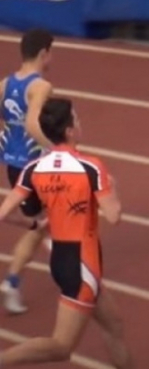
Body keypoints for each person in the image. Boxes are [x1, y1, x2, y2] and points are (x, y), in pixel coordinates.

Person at [0, 97, 133, 368]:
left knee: (114, 324)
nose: (81, 124)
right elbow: (114, 216)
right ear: (70, 131)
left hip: (61, 260)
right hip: (84, 264)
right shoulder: (91, 167)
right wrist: (112, 187)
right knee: (61, 346)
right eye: (77, 119)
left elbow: (4, 213)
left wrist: (35, 226)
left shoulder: (33, 169)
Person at [0, 29, 56, 314]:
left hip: (14, 166)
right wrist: (59, 149)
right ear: (43, 53)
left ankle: (12, 282)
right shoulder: (41, 87)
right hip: (36, 166)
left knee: (38, 225)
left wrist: (8, 141)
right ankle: (63, 255)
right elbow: (33, 124)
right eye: (52, 53)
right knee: (59, 216)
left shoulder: (4, 84)